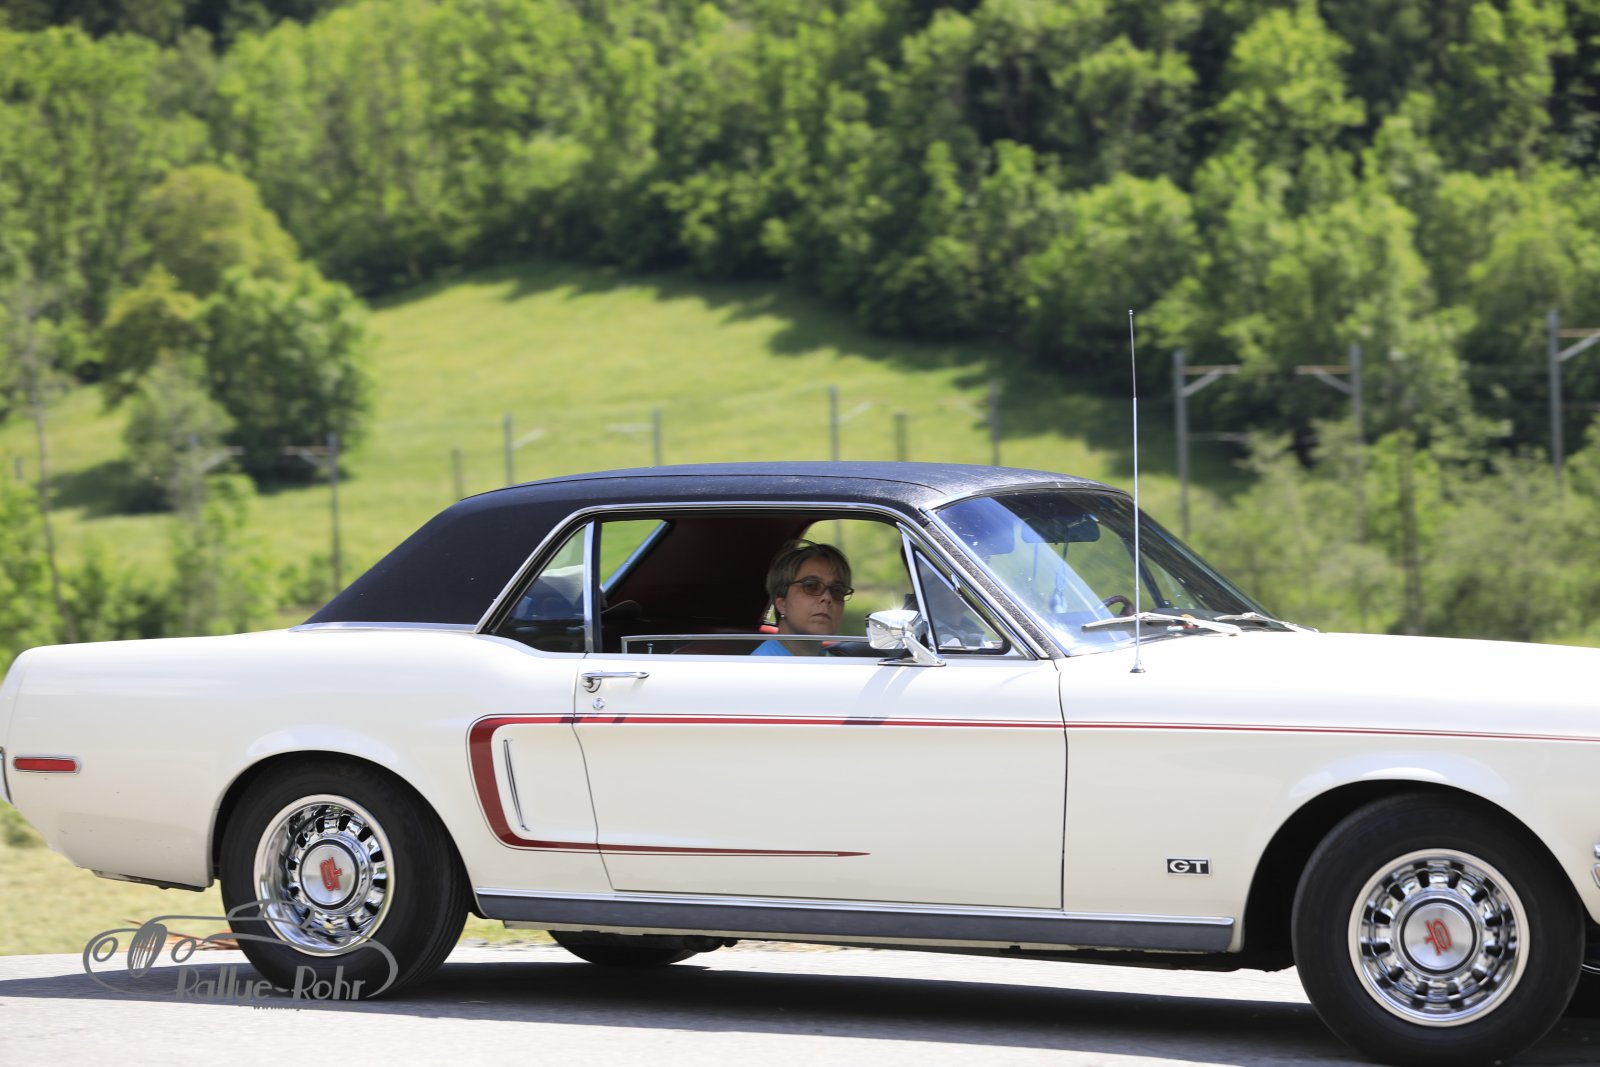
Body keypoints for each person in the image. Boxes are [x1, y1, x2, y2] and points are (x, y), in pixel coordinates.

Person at [751, 539, 853, 656]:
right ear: (782, 603)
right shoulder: (762, 664)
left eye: (837, 590)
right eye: (811, 585)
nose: (827, 597)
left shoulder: (835, 662)